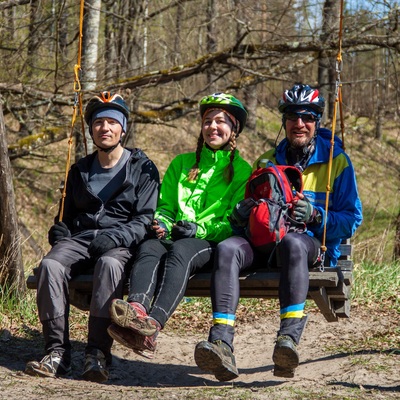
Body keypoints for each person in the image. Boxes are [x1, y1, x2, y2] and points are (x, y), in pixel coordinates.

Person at [194, 83, 363, 381]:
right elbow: (249, 221)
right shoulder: (266, 162)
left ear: (317, 121)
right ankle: (221, 342)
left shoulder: (337, 162)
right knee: (228, 248)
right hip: (264, 245)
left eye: (307, 117)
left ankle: (287, 341)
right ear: (283, 121)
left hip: (309, 248)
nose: (299, 124)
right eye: (292, 117)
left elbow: (352, 219)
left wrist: (316, 215)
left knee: (294, 243)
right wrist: (239, 217)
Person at [25, 92, 160, 383]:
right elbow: (66, 216)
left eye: (113, 122)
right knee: (49, 266)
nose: (105, 128)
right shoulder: (79, 170)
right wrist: (59, 230)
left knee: (109, 266)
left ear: (123, 128)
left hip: (120, 243)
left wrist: (116, 238)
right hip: (80, 239)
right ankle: (56, 353)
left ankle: (97, 354)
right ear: (91, 130)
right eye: (99, 122)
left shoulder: (142, 168)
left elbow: (144, 220)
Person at [106, 93, 253, 360]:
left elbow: (234, 222)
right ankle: (136, 312)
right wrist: (162, 222)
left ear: (234, 129)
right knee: (150, 246)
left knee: (181, 251)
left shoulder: (243, 171)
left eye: (221, 121)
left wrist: (198, 230)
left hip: (211, 244)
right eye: (207, 121)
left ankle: (151, 330)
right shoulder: (182, 164)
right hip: (174, 237)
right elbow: (166, 207)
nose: (212, 127)